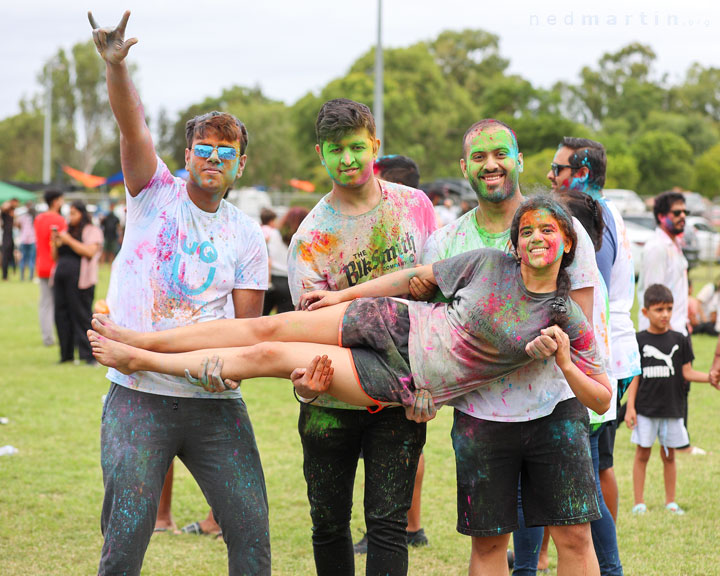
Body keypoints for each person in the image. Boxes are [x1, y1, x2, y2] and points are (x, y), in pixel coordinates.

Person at [88, 196, 611, 415]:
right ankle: (141, 338)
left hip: (407, 381)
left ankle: (142, 361)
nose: (535, 237)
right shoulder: (488, 264)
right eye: (527, 231)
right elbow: (414, 279)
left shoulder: (564, 316)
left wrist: (563, 360)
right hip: (393, 319)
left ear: (567, 243)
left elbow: (603, 399)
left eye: (548, 230)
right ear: (515, 242)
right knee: (266, 328)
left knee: (272, 358)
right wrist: (341, 295)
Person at [88, 11, 270, 575]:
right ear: (186, 153)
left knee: (251, 533)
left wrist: (229, 370)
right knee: (125, 539)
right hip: (137, 396)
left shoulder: (247, 235)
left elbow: (245, 335)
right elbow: (132, 126)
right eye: (203, 147)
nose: (213, 157)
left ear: (240, 164)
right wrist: (117, 70)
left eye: (225, 150)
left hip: (214, 406)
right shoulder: (152, 193)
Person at [415, 119, 603, 576]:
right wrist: (421, 391)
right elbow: (428, 336)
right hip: (481, 415)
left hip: (555, 409)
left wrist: (565, 356)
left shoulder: (561, 228)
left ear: (519, 161)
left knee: (575, 537)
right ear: (465, 167)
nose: (491, 164)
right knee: (488, 543)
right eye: (479, 157)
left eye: (501, 153)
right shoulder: (445, 243)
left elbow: (582, 329)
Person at [288, 98, 434, 576]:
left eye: (356, 147)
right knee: (328, 526)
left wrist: (429, 384)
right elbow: (305, 334)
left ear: (375, 145)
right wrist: (303, 384)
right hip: (330, 404)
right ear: (320, 153)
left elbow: (437, 307)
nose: (347, 159)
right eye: (336, 149)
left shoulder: (415, 206)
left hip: (399, 403)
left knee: (388, 526)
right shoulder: (311, 238)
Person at [624, 284, 717, 515]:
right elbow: (635, 377)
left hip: (672, 409)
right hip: (645, 409)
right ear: (645, 313)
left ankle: (670, 502)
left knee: (669, 455)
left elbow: (687, 372)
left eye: (669, 309)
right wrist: (630, 408)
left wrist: (710, 377)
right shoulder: (639, 341)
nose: (665, 314)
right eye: (658, 309)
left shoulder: (680, 339)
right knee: (642, 453)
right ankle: (639, 502)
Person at [636, 191, 703, 455]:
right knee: (667, 386)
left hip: (678, 329)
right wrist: (652, 334)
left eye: (684, 212)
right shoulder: (656, 247)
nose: (682, 217)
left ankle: (677, 439)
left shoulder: (673, 245)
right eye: (677, 213)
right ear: (661, 215)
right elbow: (652, 295)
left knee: (680, 387)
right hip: (664, 332)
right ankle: (679, 444)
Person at [51, 200, 103, 364]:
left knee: (81, 316)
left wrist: (68, 241)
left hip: (81, 281)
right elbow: (56, 257)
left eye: (74, 213)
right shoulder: (67, 231)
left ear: (82, 214)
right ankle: (66, 354)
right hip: (61, 278)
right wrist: (55, 242)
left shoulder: (91, 230)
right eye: (69, 213)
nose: (70, 217)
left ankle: (88, 355)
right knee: (61, 315)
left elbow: (89, 252)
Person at [34, 189, 66, 346]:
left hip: (41, 265)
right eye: (61, 199)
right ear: (55, 201)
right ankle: (63, 338)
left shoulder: (38, 219)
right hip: (57, 266)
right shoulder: (59, 220)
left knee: (45, 304)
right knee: (60, 304)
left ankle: (47, 338)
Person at [262, 207, 308, 316]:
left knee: (261, 318)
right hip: (289, 284)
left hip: (271, 280)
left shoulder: (273, 234)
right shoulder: (304, 238)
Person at [16, 201, 37, 281]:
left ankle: (22, 278)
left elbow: (18, 225)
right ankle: (31, 277)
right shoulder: (35, 217)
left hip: (24, 239)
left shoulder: (23, 217)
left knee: (23, 259)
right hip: (32, 240)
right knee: (31, 259)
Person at [1, 198, 19, 280]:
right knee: (5, 256)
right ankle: (5, 276)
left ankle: (11, 272)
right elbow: (4, 207)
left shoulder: (12, 214)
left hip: (10, 236)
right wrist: (10, 203)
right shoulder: (5, 212)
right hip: (6, 236)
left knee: (10, 256)